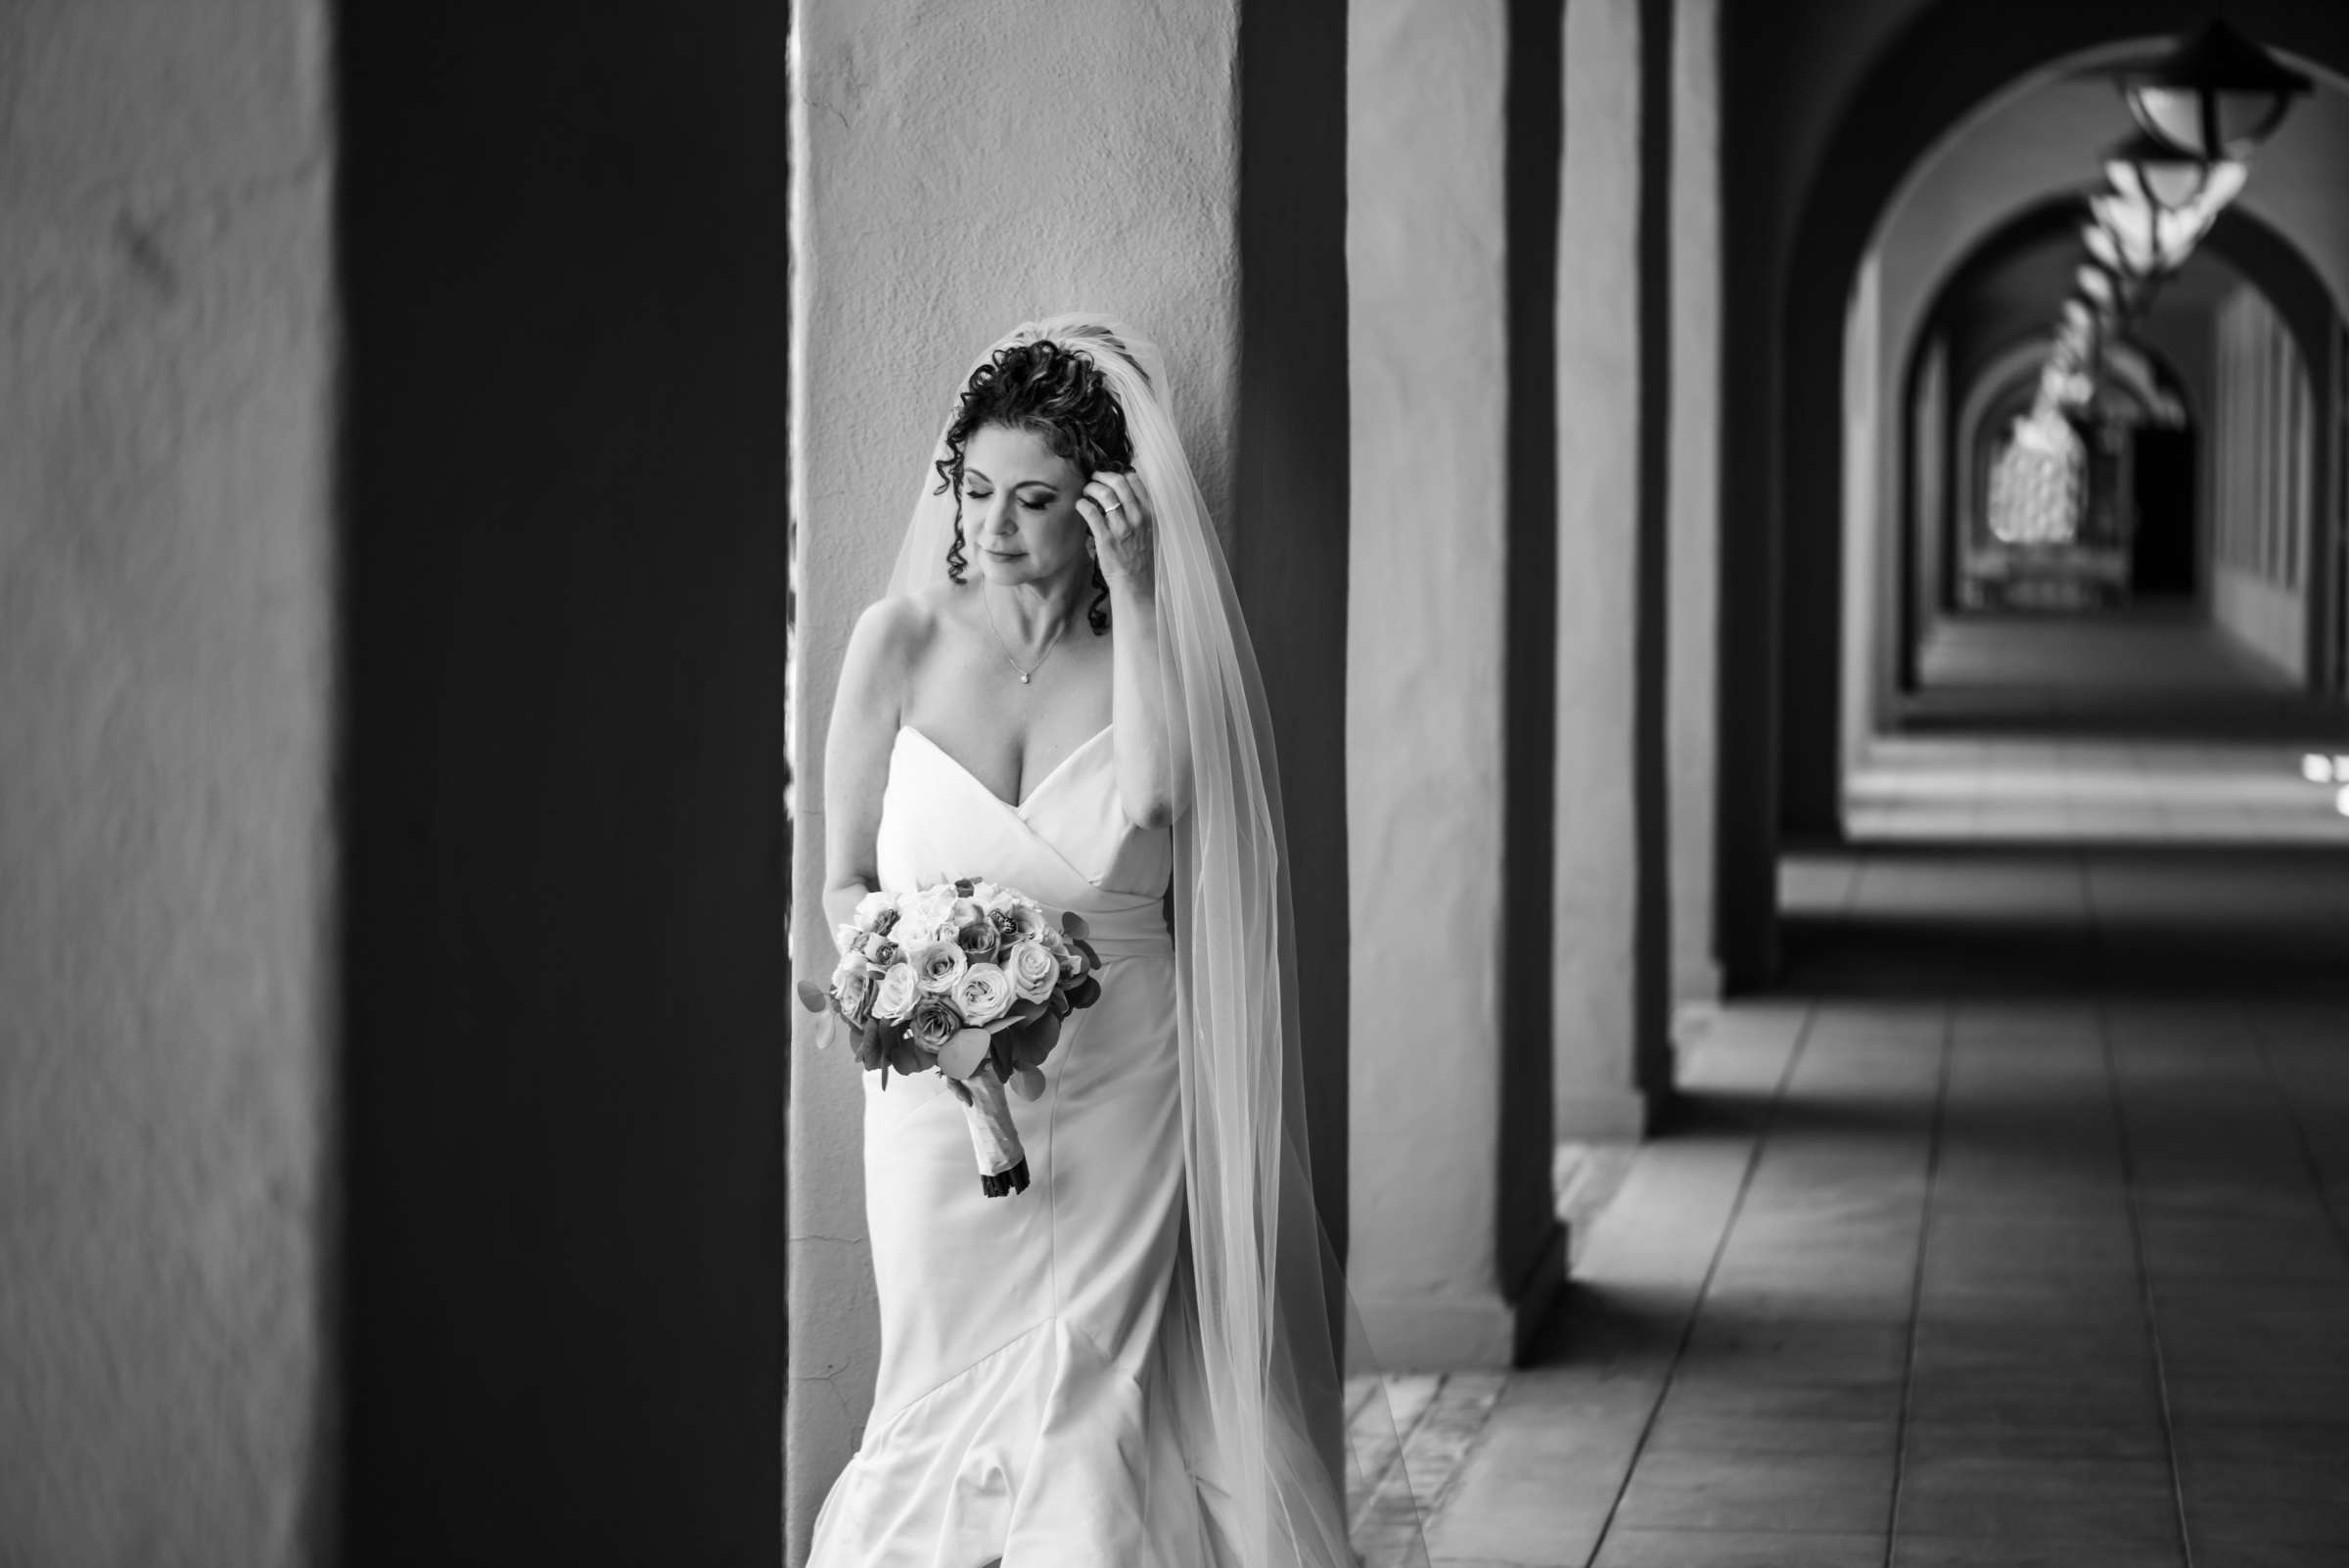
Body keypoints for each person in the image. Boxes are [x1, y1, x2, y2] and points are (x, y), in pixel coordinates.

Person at [810, 317, 1420, 1567]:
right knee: (935, 1372)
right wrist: (907, 991)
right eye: (976, 491)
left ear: (1097, 508)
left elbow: (1152, 802)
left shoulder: (1139, 645)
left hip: (1121, 1074)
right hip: (932, 1096)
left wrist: (1137, 593)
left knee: (1103, 1385)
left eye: (1035, 500)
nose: (993, 526)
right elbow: (840, 882)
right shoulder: (896, 644)